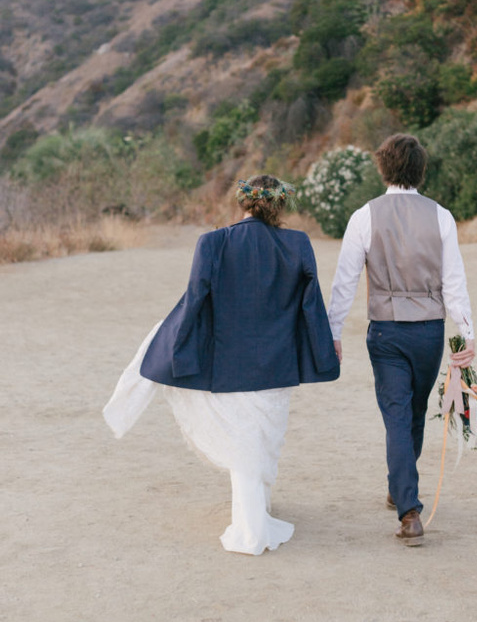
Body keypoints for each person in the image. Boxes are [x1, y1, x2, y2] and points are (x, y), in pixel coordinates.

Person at [104, 175, 339, 555]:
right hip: (278, 362)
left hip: (230, 362)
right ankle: (255, 517)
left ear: (243, 203)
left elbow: (194, 299)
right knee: (265, 438)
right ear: (280, 206)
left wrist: (175, 346)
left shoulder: (212, 242)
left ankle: (252, 524)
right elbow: (310, 304)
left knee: (244, 441)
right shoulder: (298, 244)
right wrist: (322, 351)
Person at [328, 134, 475, 546]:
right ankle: (402, 490)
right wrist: (466, 335)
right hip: (428, 331)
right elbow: (454, 283)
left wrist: (333, 332)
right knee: (412, 412)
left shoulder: (365, 216)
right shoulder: (441, 216)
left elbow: (345, 282)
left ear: (384, 167)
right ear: (420, 169)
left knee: (397, 414)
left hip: (387, 332)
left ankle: (409, 510)